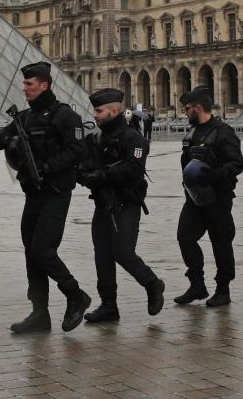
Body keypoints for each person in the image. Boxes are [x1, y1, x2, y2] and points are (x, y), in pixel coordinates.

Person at [0, 61, 90, 334]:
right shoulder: (24, 117)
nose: (24, 88)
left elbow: (77, 151)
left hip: (56, 192)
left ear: (44, 85)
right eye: (24, 84)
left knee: (43, 250)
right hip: (32, 194)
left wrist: (47, 167)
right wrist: (9, 140)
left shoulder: (65, 116)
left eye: (29, 84)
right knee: (30, 253)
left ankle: (75, 294)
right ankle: (39, 312)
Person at [78, 89, 165, 323]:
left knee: (123, 252)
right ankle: (108, 305)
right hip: (102, 204)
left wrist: (103, 174)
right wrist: (85, 176)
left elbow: (133, 169)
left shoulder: (133, 138)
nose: (94, 115)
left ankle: (153, 284)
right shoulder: (95, 138)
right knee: (102, 255)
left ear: (114, 111)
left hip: (126, 203)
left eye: (99, 111)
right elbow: (84, 166)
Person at [174, 87, 243, 307]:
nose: (185, 113)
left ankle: (223, 290)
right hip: (194, 197)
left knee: (221, 242)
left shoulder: (223, 132)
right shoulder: (191, 133)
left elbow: (236, 164)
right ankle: (197, 285)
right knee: (185, 237)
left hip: (218, 197)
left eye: (187, 109)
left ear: (198, 108)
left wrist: (215, 175)